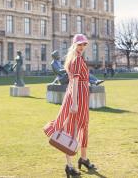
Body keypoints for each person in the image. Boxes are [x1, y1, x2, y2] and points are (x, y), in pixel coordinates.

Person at [44, 34, 96, 177]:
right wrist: (74, 103)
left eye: (84, 44)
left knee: (83, 126)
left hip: (80, 97)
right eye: (79, 44)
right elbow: (73, 82)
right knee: (70, 129)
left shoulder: (74, 59)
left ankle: (83, 159)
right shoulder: (77, 59)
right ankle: (69, 165)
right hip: (76, 98)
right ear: (74, 45)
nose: (82, 47)